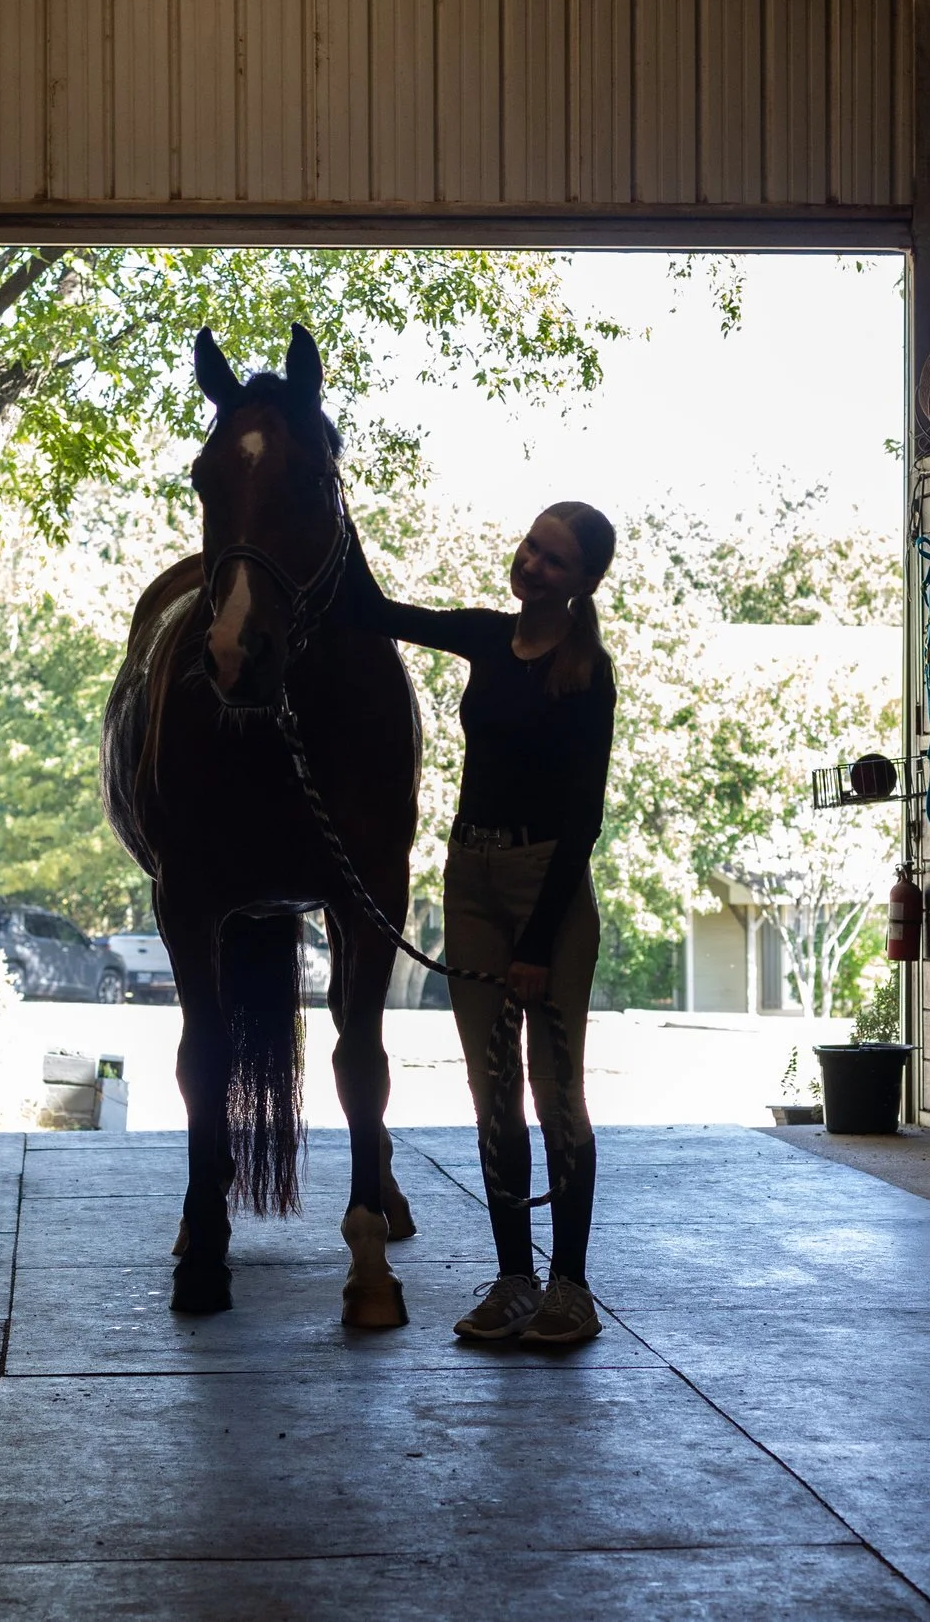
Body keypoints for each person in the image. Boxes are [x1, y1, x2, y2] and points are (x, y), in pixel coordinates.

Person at [345, 501, 618, 1346]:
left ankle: (570, 1288)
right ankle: (513, 1279)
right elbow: (379, 610)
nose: (531, 563)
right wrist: (326, 496)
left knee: (556, 1096)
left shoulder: (587, 672)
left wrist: (537, 943)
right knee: (490, 1096)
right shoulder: (486, 638)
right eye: (531, 545)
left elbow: (585, 817)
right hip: (470, 879)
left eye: (554, 560)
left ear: (581, 583)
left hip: (548, 886)